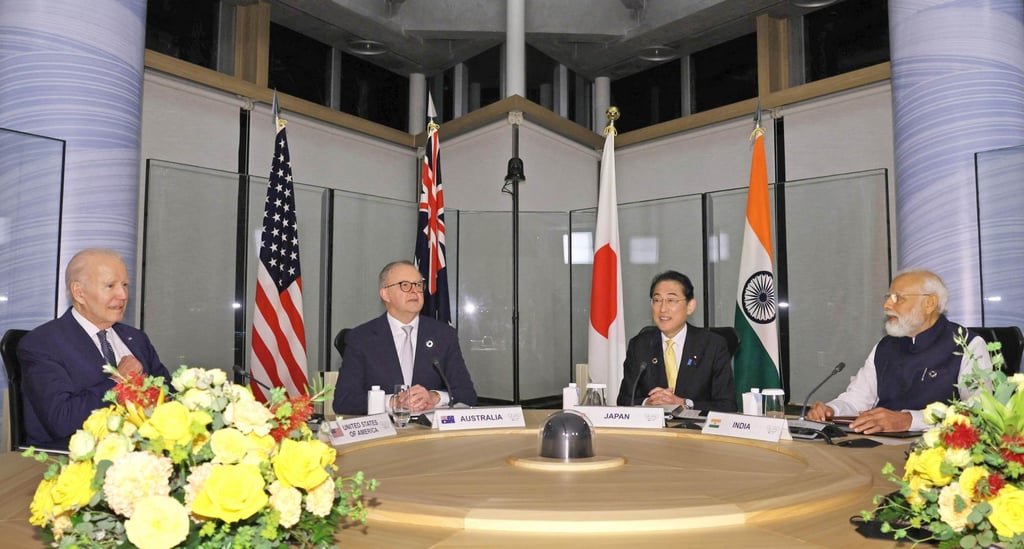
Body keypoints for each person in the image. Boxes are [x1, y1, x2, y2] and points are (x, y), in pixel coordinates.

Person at [19, 248, 173, 450]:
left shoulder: (136, 339)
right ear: (79, 292)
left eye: (125, 285)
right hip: (70, 462)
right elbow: (62, 420)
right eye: (110, 286)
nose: (123, 295)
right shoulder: (42, 344)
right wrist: (118, 381)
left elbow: (170, 395)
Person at [806, 269, 992, 434]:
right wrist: (831, 410)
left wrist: (910, 420)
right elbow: (857, 400)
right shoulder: (885, 346)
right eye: (887, 297)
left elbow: (978, 413)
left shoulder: (968, 345)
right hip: (879, 446)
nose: (887, 305)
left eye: (898, 298)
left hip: (937, 451)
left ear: (929, 303)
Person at [333, 260, 477, 416]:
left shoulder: (444, 335)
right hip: (383, 433)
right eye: (405, 285)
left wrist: (434, 397)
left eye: (418, 285)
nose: (414, 291)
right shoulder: (361, 338)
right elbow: (344, 400)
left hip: (428, 432)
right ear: (385, 294)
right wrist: (393, 402)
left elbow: (467, 394)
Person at [616, 270, 737, 412]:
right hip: (653, 431)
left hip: (697, 431)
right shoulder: (640, 345)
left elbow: (728, 406)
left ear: (690, 306)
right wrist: (647, 403)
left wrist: (684, 403)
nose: (662, 308)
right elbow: (624, 400)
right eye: (657, 300)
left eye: (671, 300)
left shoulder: (713, 345)